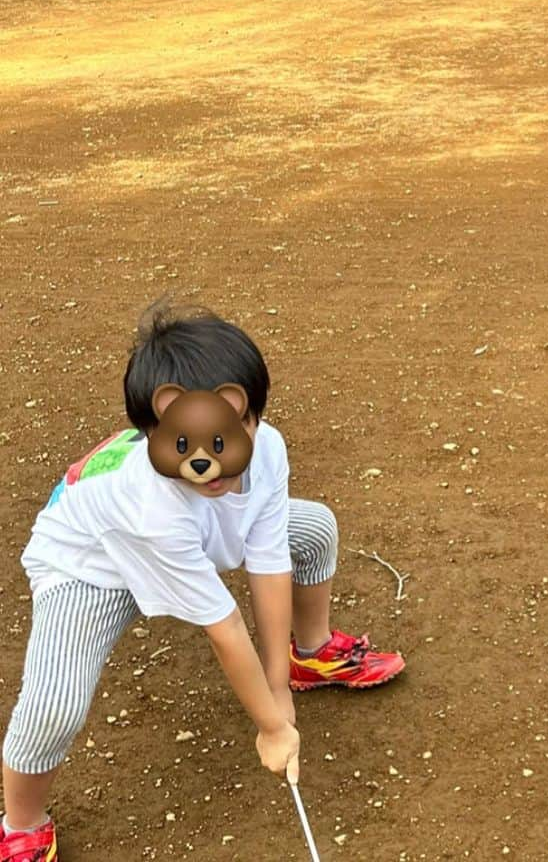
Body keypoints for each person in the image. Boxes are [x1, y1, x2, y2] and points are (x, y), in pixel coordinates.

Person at [1, 302, 405, 862]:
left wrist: (278, 685)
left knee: (312, 529)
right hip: (92, 563)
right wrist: (269, 725)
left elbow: (268, 560)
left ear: (251, 415)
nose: (211, 464)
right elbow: (225, 625)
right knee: (55, 705)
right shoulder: (150, 508)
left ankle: (308, 654)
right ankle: (21, 823)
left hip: (193, 532)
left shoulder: (268, 450)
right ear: (152, 433)